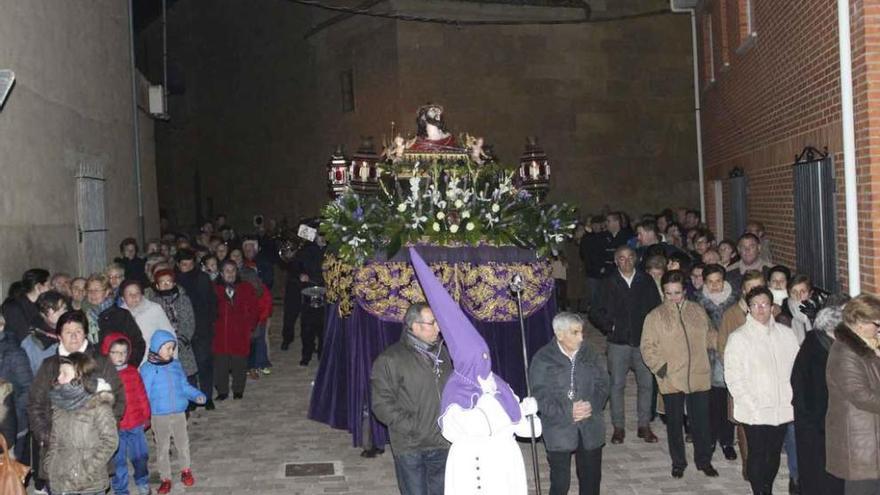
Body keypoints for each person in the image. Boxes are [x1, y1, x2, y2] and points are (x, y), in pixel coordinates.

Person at [642, 270, 719, 478]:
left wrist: (720, 340)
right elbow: (647, 348)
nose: (674, 297)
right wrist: (662, 369)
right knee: (674, 424)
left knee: (701, 422)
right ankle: (678, 462)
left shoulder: (697, 310)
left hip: (698, 375)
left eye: (677, 292)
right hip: (671, 378)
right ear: (663, 292)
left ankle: (704, 461)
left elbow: (710, 336)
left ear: (685, 291)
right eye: (669, 293)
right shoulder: (655, 316)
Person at [371, 302, 452, 495]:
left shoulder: (443, 354)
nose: (438, 328)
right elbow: (381, 404)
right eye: (432, 323)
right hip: (411, 446)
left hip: (442, 442)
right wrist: (413, 427)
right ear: (415, 327)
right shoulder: (390, 359)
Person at [725, 286, 799, 495]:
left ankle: (767, 486)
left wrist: (791, 398)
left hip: (782, 406)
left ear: (772, 307)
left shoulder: (786, 335)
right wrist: (750, 403)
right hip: (754, 409)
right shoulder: (739, 338)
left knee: (774, 453)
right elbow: (733, 376)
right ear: (748, 308)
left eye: (764, 304)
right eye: (755, 305)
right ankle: (761, 491)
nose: (760, 309)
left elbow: (796, 369)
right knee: (758, 452)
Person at [589, 245, 662, 444]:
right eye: (621, 258)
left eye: (630, 257)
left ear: (636, 259)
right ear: (616, 261)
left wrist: (652, 333)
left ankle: (644, 425)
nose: (626, 261)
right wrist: (609, 326)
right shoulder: (608, 283)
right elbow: (594, 311)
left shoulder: (645, 281)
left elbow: (657, 308)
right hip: (618, 343)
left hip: (643, 342)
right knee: (616, 385)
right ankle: (618, 427)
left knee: (646, 385)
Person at [530, 312, 609, 495]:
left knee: (591, 479)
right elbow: (540, 396)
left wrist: (591, 406)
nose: (581, 338)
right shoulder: (543, 358)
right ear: (559, 334)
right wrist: (569, 411)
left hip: (589, 424)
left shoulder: (590, 352)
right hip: (559, 426)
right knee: (560, 482)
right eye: (575, 333)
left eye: (582, 332)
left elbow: (603, 384)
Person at [791, 298, 848, 495]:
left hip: (825, 426)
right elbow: (809, 391)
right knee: (819, 477)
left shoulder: (827, 345)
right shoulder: (817, 349)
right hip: (816, 428)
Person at [825, 294, 880, 495]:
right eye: (876, 323)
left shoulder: (869, 347)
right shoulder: (845, 353)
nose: (879, 327)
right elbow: (861, 396)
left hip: (873, 439)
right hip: (861, 444)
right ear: (858, 324)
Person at [140, 330, 206, 494]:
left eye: (172, 348)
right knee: (162, 447)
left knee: (183, 443)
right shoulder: (147, 369)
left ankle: (186, 470)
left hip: (178, 413)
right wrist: (142, 413)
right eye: (167, 348)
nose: (171, 352)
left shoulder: (175, 365)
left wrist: (196, 395)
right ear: (156, 348)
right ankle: (165, 478)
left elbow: (183, 386)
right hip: (159, 415)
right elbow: (144, 394)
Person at [43, 352, 118, 495]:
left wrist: (86, 471)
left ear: (79, 376)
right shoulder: (59, 404)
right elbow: (54, 441)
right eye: (59, 373)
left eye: (64, 373)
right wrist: (50, 466)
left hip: (89, 484)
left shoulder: (99, 405)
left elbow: (110, 442)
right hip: (61, 481)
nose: (59, 377)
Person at [694, 264, 738, 461]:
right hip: (705, 358)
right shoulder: (696, 301)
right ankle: (710, 439)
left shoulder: (735, 300)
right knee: (709, 403)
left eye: (718, 281)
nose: (714, 286)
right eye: (710, 282)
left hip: (728, 357)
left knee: (727, 402)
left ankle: (727, 441)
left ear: (724, 280)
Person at [100, 333, 152, 495]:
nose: (120, 356)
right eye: (115, 352)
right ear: (107, 353)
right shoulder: (104, 376)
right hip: (117, 427)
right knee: (118, 461)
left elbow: (142, 395)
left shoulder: (133, 373)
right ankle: (121, 489)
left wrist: (146, 415)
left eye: (123, 352)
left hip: (136, 423)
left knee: (141, 456)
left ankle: (142, 481)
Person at [175, 249, 218, 409]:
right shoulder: (175, 281)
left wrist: (208, 323)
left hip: (202, 328)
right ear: (178, 265)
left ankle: (207, 396)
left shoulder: (202, 279)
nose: (187, 268)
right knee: (187, 365)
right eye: (184, 265)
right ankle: (192, 397)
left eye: (190, 264)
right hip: (183, 330)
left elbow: (211, 303)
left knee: (204, 363)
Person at [213, 260, 259, 400]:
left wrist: (250, 325)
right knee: (220, 365)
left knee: (240, 363)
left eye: (233, 270)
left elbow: (254, 309)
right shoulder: (214, 289)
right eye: (227, 271)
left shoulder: (245, 287)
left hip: (240, 333)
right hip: (220, 334)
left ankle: (238, 389)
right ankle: (222, 391)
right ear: (221, 273)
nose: (230, 274)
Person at [146, 269, 198, 383]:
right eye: (162, 282)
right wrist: (162, 344)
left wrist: (180, 342)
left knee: (188, 377)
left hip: (182, 345)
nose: (165, 284)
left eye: (168, 282)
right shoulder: (153, 303)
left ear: (174, 284)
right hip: (162, 347)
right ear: (157, 286)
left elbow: (189, 322)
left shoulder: (183, 299)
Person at [83, 274, 146, 366]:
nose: (93, 294)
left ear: (107, 292)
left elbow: (138, 344)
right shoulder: (82, 317)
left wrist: (126, 366)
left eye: (97, 290)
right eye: (89, 290)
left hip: (117, 371)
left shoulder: (121, 315)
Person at [120, 279, 174, 365]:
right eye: (130, 294)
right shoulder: (119, 315)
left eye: (137, 293)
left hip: (155, 362)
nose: (134, 297)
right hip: (130, 364)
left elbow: (169, 335)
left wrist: (171, 361)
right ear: (123, 298)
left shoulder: (154, 309)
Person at [0, 314, 32, 460]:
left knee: (9, 474)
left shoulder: (14, 353)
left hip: (12, 424)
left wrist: (11, 414)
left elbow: (27, 388)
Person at [2, 268, 51, 344]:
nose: (51, 288)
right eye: (48, 285)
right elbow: (24, 340)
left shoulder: (39, 305)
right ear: (38, 287)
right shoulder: (14, 308)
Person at [580, 215, 610, 311]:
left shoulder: (606, 236)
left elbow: (608, 253)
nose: (596, 227)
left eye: (598, 224)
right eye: (594, 225)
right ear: (592, 226)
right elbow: (583, 254)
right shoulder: (587, 238)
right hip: (592, 271)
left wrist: (604, 266)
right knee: (593, 296)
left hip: (605, 271)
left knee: (604, 295)